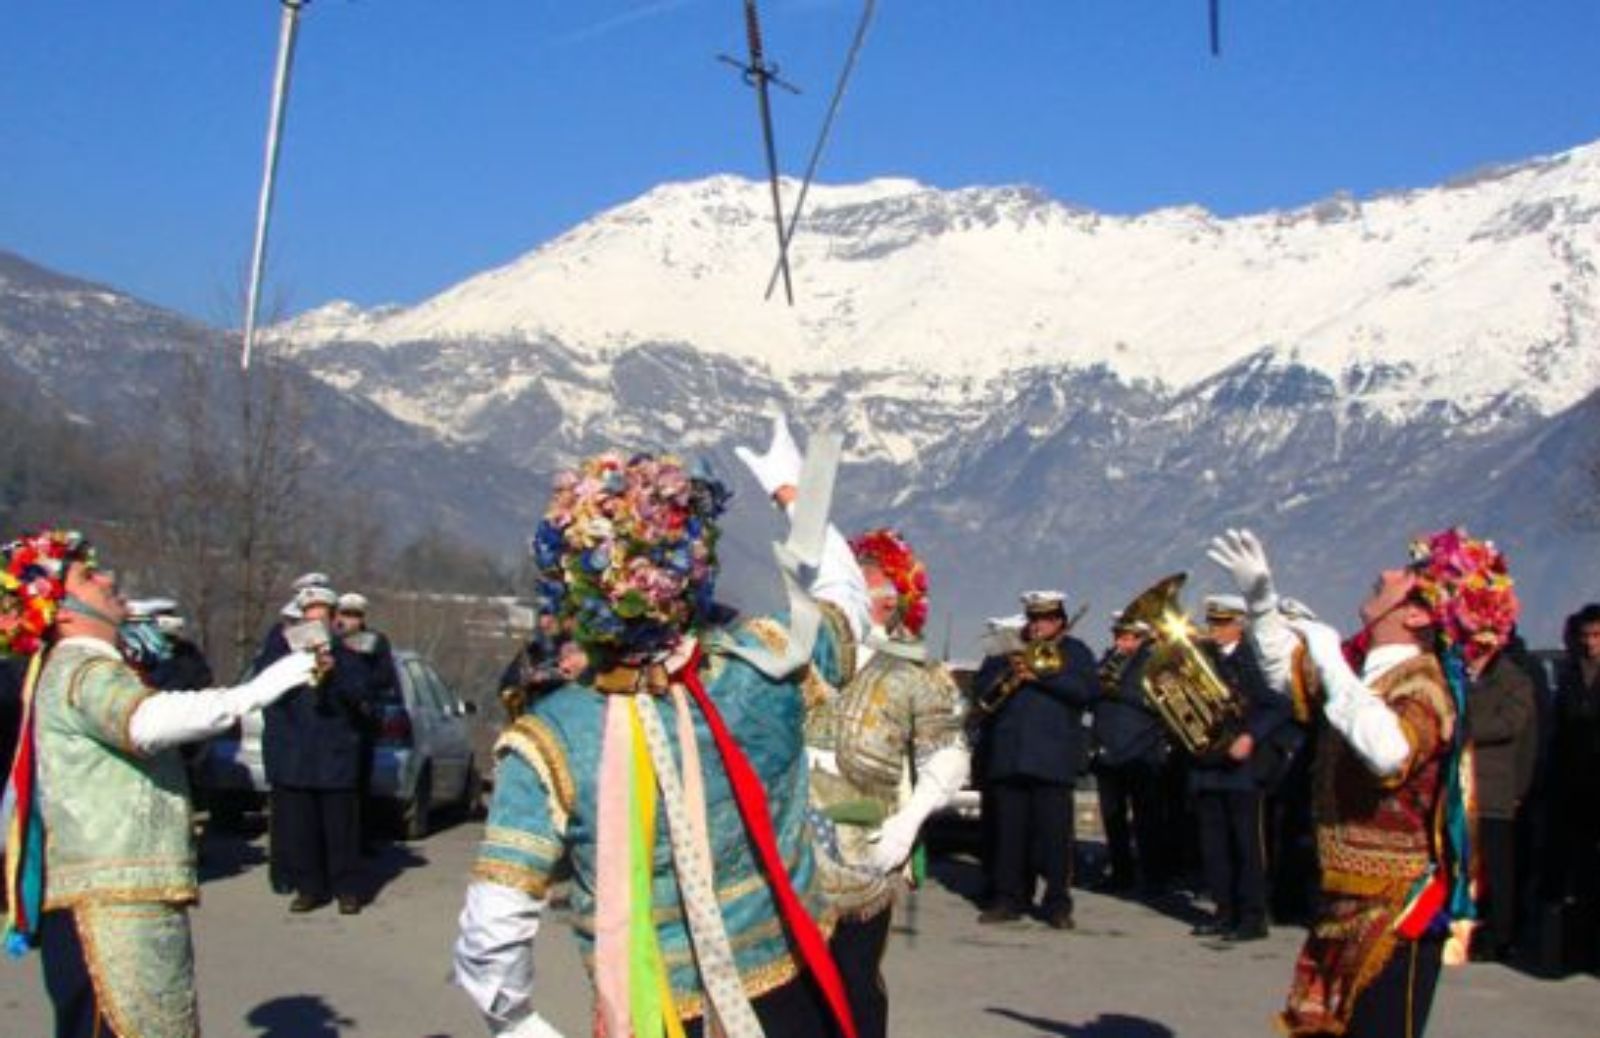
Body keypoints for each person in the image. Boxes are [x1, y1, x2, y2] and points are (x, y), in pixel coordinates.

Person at [454, 449, 861, 1038]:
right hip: (790, 997)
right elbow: (848, 603)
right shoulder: (765, 664)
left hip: (652, 1015)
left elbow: (493, 928)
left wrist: (518, 1025)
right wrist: (795, 492)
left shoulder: (551, 736)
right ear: (693, 568)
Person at [0, 528, 314, 1038]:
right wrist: (256, 691)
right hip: (105, 910)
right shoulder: (81, 668)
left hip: (122, 903)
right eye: (87, 575)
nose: (107, 579)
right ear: (60, 610)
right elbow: (144, 722)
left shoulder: (90, 666)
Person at [1210, 526, 1519, 1037]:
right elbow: (1284, 674)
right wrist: (1261, 603)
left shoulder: (1425, 682)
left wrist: (1329, 656)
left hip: (1397, 907)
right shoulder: (1362, 671)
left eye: (1411, 572)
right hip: (1343, 897)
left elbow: (1389, 751)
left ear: (1419, 613)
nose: (1390, 572)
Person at [738, 415, 968, 1038]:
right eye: (862, 580)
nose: (869, 592)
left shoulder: (913, 671)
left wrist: (908, 822)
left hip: (867, 847)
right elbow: (826, 576)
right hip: (786, 847)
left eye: (881, 584)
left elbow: (949, 755)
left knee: (854, 986)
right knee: (778, 987)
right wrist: (793, 496)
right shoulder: (806, 652)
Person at [971, 590, 1097, 929]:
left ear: (1059, 622)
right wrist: (1006, 673)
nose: (1037, 626)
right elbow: (981, 692)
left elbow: (1085, 693)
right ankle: (1009, 898)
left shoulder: (1076, 652)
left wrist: (1041, 676)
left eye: (1045, 619)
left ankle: (1058, 903)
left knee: (1055, 838)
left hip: (1052, 758)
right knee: (1009, 836)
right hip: (1010, 756)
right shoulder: (1006, 651)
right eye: (1033, 619)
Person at [257, 584, 375, 915]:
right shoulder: (282, 653)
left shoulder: (351, 653)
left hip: (336, 755)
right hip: (296, 754)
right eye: (308, 620)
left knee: (341, 830)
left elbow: (362, 694)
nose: (314, 626)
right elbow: (264, 688)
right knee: (300, 829)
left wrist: (333, 668)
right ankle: (309, 888)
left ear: (333, 620)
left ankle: (347, 889)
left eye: (321, 619)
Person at [1187, 594, 1294, 943]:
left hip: (1244, 764)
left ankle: (1253, 915)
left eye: (1221, 623)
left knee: (1247, 843)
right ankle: (1224, 910)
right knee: (1213, 842)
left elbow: (1278, 704)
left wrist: (1251, 734)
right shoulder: (1202, 658)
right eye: (1212, 622)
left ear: (1239, 625)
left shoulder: (1256, 659)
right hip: (1209, 762)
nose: (1214, 630)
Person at [1465, 632, 1536, 962]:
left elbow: (1511, 724)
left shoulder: (1513, 680)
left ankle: (1498, 936)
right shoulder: (1460, 673)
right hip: (1462, 788)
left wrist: (1463, 727)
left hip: (1496, 788)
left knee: (1496, 867)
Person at [1090, 612, 1170, 895]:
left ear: (1142, 637)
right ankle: (1120, 873)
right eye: (1118, 635)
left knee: (1147, 819)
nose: (1121, 642)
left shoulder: (1154, 662)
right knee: (1113, 818)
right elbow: (1090, 692)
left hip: (1141, 750)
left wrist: (1117, 689)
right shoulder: (1108, 660)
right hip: (1107, 749)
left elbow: (1157, 702)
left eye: (1128, 636)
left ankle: (1153, 876)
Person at [1545, 602, 1600, 961]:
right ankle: (1578, 946)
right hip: (1574, 788)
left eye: (1597, 636)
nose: (1591, 643)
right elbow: (1559, 732)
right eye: (1586, 636)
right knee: (1578, 872)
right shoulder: (1570, 675)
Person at [333, 592, 396, 852]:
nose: (349, 621)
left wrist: (362, 686)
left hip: (360, 720)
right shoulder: (328, 640)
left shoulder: (373, 642)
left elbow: (385, 677)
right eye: (345, 614)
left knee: (359, 784)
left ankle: (360, 838)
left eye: (355, 615)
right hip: (331, 721)